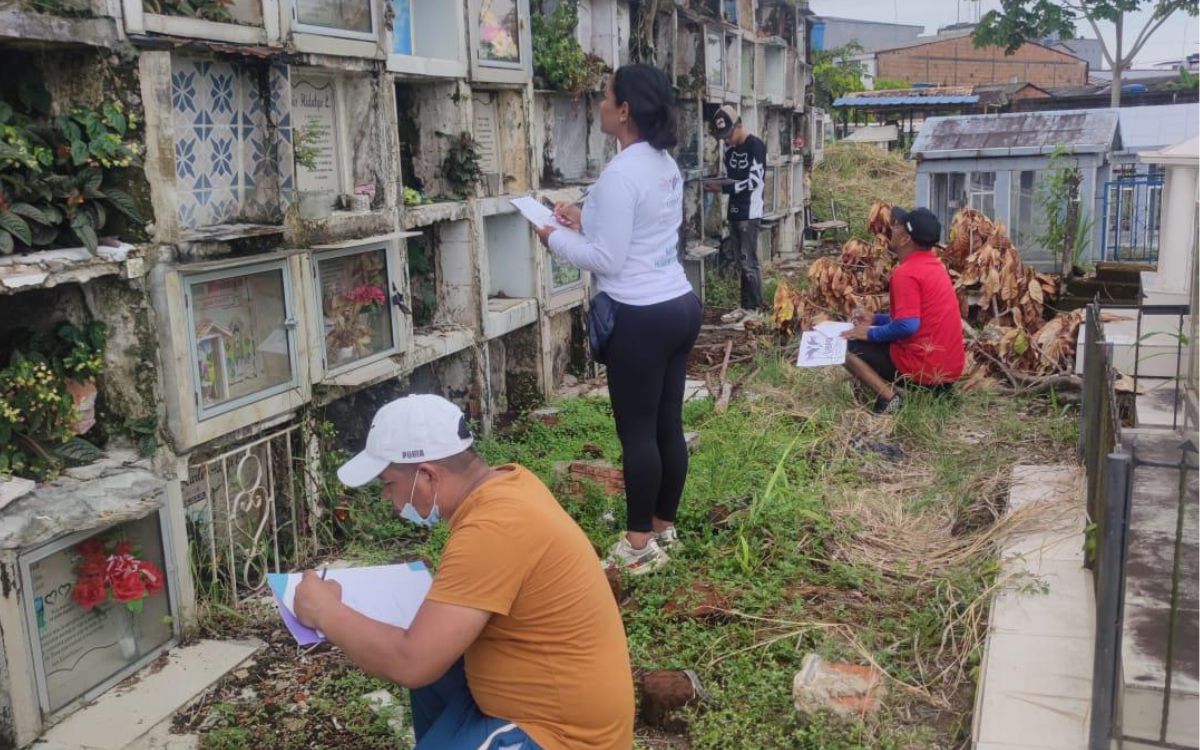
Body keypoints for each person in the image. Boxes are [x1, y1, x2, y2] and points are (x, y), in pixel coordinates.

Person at [293, 395, 634, 750]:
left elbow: (411, 663)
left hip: (563, 738)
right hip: (534, 707)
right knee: (432, 657)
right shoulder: (508, 485)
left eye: (388, 484)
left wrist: (324, 611)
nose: (387, 499)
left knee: (419, 660)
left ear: (427, 475)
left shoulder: (493, 526)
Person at [534, 64, 701, 575]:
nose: (601, 104)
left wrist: (550, 236)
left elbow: (606, 260)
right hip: (678, 305)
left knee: (637, 434)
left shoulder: (619, 173)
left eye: (607, 97)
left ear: (624, 110)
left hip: (639, 317)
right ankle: (662, 527)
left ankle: (635, 546)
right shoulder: (662, 163)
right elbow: (639, 232)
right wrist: (582, 221)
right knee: (667, 423)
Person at [841, 207, 965, 413]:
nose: (893, 228)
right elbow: (916, 318)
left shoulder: (906, 273)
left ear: (906, 239)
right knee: (876, 338)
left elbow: (908, 325)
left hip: (924, 369)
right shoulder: (936, 267)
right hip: (948, 371)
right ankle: (935, 393)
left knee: (844, 348)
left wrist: (870, 333)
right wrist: (875, 319)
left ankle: (890, 400)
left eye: (898, 226)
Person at [704, 104, 767, 324]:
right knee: (740, 261)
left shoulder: (755, 146)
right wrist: (716, 183)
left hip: (750, 211)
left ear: (739, 125)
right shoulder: (729, 151)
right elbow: (730, 177)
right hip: (734, 209)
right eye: (723, 136)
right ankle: (745, 306)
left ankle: (756, 310)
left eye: (729, 134)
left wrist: (723, 188)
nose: (726, 140)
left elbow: (754, 181)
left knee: (749, 261)